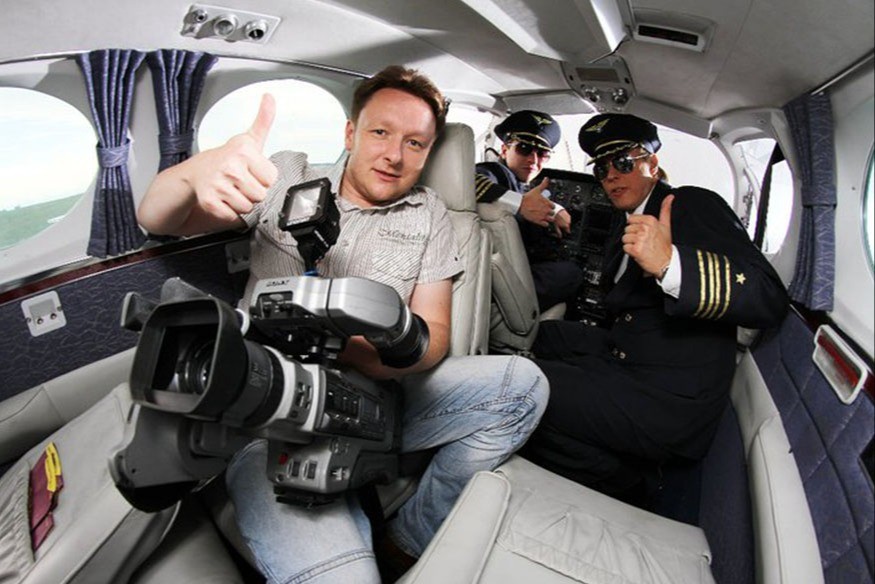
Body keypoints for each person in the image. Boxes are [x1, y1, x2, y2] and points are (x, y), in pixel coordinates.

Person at [138, 66, 548, 583]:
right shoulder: (286, 176)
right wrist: (189, 177)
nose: (394, 155)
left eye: (415, 143)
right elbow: (159, 218)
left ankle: (411, 537)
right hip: (269, 409)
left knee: (524, 386)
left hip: (377, 398)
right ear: (351, 132)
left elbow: (434, 339)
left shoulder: (430, 214)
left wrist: (353, 346)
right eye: (380, 132)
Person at [520, 113, 789, 505]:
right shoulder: (628, 221)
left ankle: (624, 479)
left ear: (652, 163)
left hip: (670, 400)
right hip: (632, 357)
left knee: (522, 386)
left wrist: (670, 264)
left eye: (622, 162)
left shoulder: (689, 204)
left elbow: (768, 295)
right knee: (545, 335)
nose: (611, 176)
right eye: (601, 168)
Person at [474, 110, 583, 312]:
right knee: (573, 273)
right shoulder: (493, 172)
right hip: (495, 279)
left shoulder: (519, 186)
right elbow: (467, 181)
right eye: (524, 148)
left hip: (508, 271)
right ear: (505, 150)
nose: (533, 160)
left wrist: (555, 209)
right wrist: (520, 204)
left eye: (542, 154)